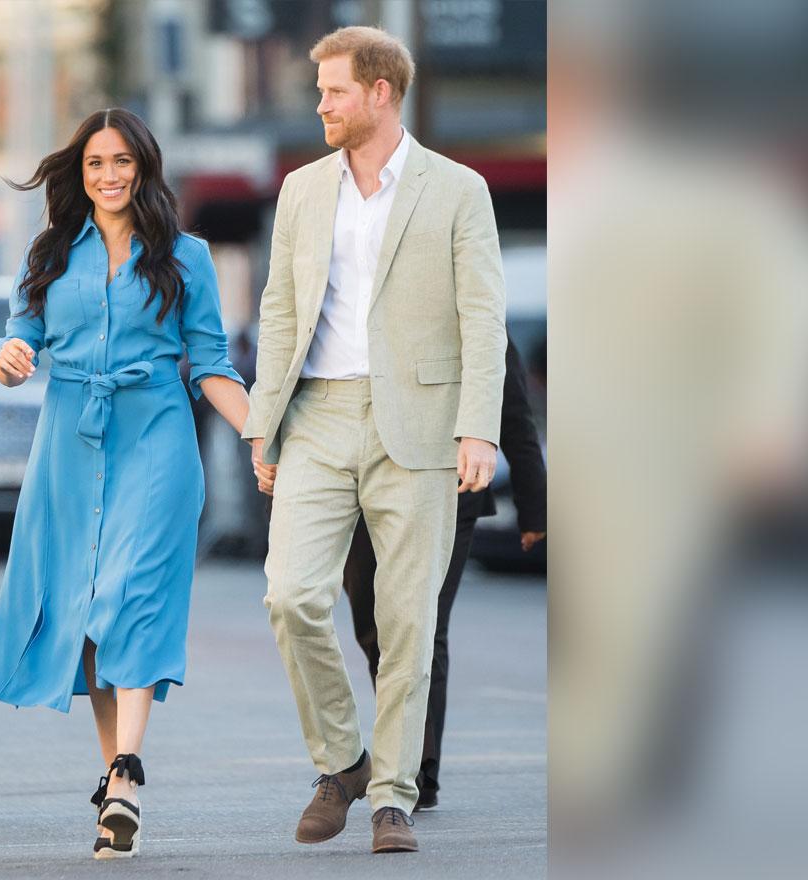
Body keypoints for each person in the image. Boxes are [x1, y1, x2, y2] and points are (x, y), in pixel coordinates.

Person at [241, 27, 508, 854]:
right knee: (291, 595)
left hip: (420, 423)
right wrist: (263, 422)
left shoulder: (457, 188)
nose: (319, 104)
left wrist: (478, 429)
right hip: (316, 414)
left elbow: (483, 315)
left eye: (333, 91)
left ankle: (392, 794)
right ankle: (343, 760)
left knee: (406, 620)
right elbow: (280, 310)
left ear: (381, 92)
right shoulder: (300, 190)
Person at [0, 108, 249, 860]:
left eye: (123, 161)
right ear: (80, 172)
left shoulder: (185, 256)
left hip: (158, 433)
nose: (109, 175)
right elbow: (20, 333)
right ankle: (115, 792)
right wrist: (10, 354)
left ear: (144, 168)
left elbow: (213, 362)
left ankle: (126, 769)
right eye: (96, 162)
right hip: (68, 441)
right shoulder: (50, 251)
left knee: (131, 593)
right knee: (89, 618)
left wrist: (263, 432)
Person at [342, 334, 547, 813]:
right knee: (373, 627)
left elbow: (511, 404)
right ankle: (406, 746)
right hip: (362, 492)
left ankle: (415, 768)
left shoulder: (468, 303)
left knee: (423, 624)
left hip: (452, 492)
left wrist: (535, 507)